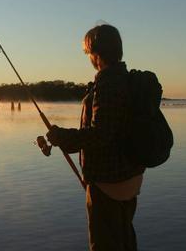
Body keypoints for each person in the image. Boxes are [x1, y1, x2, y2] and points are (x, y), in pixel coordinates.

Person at [47, 24, 145, 251]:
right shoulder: (126, 79)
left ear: (96, 52)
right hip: (130, 176)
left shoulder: (108, 82)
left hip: (109, 181)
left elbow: (101, 134)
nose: (89, 57)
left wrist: (62, 137)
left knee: (104, 245)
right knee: (125, 240)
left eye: (88, 52)